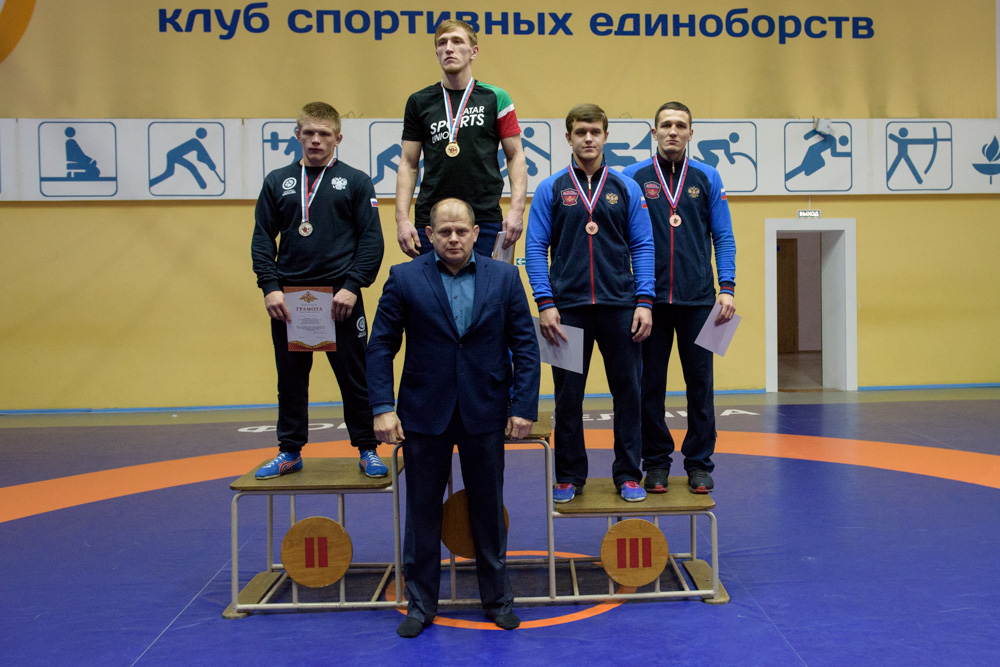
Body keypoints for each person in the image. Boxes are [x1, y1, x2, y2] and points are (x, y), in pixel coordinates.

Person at [367, 198, 540, 637]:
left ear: (476, 233)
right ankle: (420, 605)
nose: (454, 238)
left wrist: (523, 407)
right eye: (444, 231)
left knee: (488, 510)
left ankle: (497, 600)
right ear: (429, 235)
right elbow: (381, 345)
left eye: (462, 231)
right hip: (424, 412)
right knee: (422, 512)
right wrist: (383, 407)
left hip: (486, 409)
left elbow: (525, 345)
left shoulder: (505, 277)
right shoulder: (404, 277)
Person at [525, 103, 655, 504]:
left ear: (605, 136)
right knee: (567, 398)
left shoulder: (626, 188)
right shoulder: (549, 188)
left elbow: (643, 245)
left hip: (620, 307)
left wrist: (644, 301)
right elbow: (535, 248)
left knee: (628, 395)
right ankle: (568, 476)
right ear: (568, 137)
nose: (588, 138)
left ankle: (629, 474)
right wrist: (545, 302)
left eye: (595, 132)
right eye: (580, 132)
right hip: (565, 311)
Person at [251, 102, 386, 480]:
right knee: (291, 380)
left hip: (341, 298)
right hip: (289, 300)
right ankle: (289, 450)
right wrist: (270, 287)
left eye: (324, 134)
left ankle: (367, 449)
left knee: (355, 377)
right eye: (308, 132)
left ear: (337, 138)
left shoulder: (356, 181)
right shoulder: (277, 181)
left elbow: (372, 240)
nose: (315, 140)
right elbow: (262, 238)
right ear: (297, 135)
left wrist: (353, 286)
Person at [622, 101, 736, 494]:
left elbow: (723, 236)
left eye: (681, 125)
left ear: (691, 133)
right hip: (648, 303)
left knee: (701, 385)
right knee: (648, 386)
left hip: (701, 302)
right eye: (666, 125)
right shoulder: (633, 177)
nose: (673, 131)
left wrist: (727, 289)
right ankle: (655, 463)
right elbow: (621, 238)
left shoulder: (707, 176)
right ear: (653, 132)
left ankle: (700, 464)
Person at [395, 18, 527, 259]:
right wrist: (402, 219)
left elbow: (516, 156)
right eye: (442, 43)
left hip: (484, 217)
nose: (449, 48)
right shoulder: (419, 101)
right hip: (433, 219)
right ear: (436, 53)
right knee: (432, 285)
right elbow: (408, 163)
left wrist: (517, 210)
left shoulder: (496, 97)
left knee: (488, 284)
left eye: (457, 41)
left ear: (473, 51)